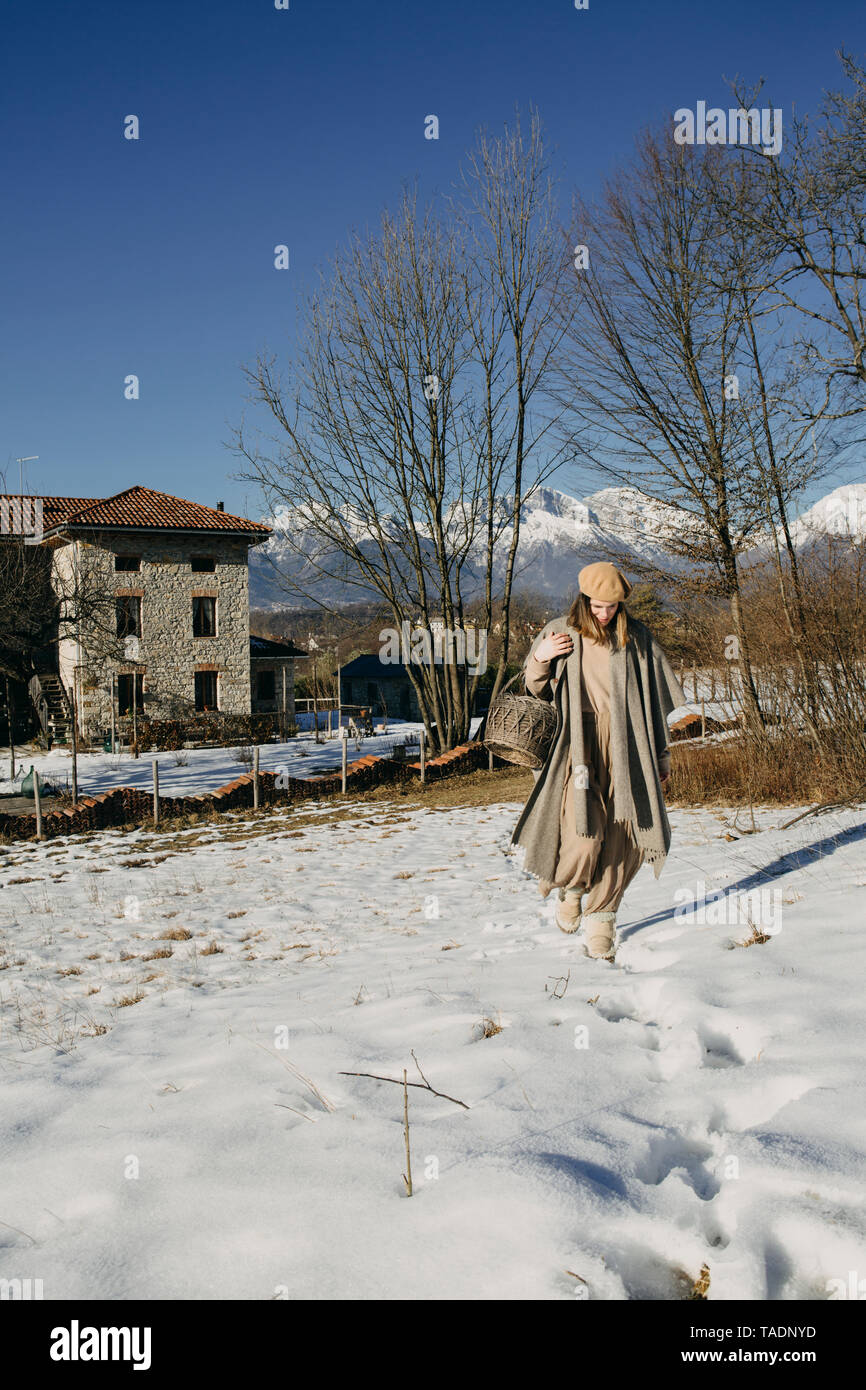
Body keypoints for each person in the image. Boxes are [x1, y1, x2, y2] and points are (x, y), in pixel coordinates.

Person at [510, 562, 686, 961]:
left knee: (626, 832)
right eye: (597, 606)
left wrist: (661, 756)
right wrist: (540, 657)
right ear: (583, 600)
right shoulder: (561, 631)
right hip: (575, 744)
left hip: (627, 744)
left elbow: (655, 707)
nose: (604, 614)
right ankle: (571, 888)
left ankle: (602, 917)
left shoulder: (637, 638)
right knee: (581, 830)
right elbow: (531, 690)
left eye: (611, 607)